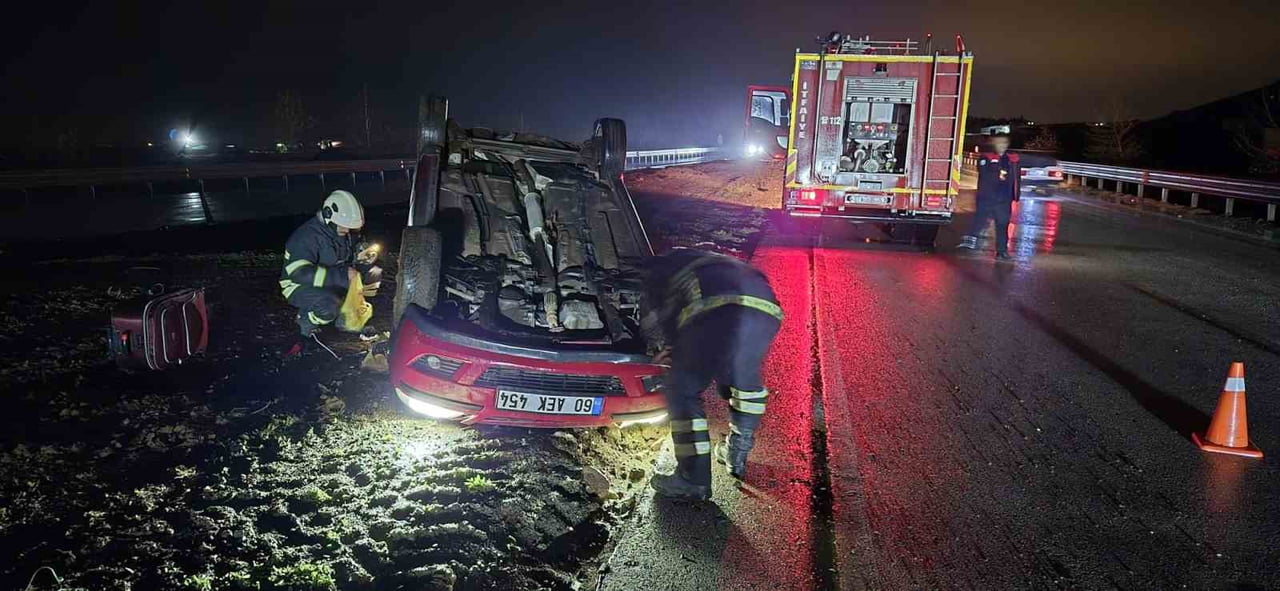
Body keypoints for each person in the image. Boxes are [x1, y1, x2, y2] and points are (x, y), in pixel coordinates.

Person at [641, 249, 784, 500]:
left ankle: (692, 479)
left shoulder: (661, 267)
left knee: (682, 389)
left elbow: (662, 312)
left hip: (716, 310)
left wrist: (671, 347)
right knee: (743, 381)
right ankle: (735, 452)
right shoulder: (720, 263)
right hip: (766, 311)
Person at [279, 190, 382, 341]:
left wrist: (363, 259)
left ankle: (348, 319)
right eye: (344, 226)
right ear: (328, 215)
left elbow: (350, 253)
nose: (347, 231)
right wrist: (342, 276)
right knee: (329, 306)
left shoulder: (342, 231)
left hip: (332, 279)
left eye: (351, 228)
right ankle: (306, 320)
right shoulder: (306, 236)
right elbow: (300, 273)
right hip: (297, 285)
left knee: (374, 274)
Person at [958, 133, 1020, 260]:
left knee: (1002, 225)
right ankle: (967, 245)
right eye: (998, 142)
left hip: (1004, 198)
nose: (1001, 145)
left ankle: (1002, 251)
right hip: (987, 197)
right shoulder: (985, 158)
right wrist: (998, 170)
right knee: (979, 223)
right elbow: (984, 173)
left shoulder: (1012, 158)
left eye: (1004, 142)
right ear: (994, 143)